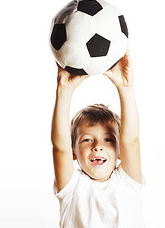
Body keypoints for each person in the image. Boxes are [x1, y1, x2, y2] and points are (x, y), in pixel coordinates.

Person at [51, 53, 145, 227]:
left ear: (120, 151)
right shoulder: (72, 188)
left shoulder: (128, 181)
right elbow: (59, 147)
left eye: (108, 140)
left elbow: (131, 141)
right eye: (87, 140)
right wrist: (64, 90)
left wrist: (126, 87)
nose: (97, 147)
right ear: (73, 151)